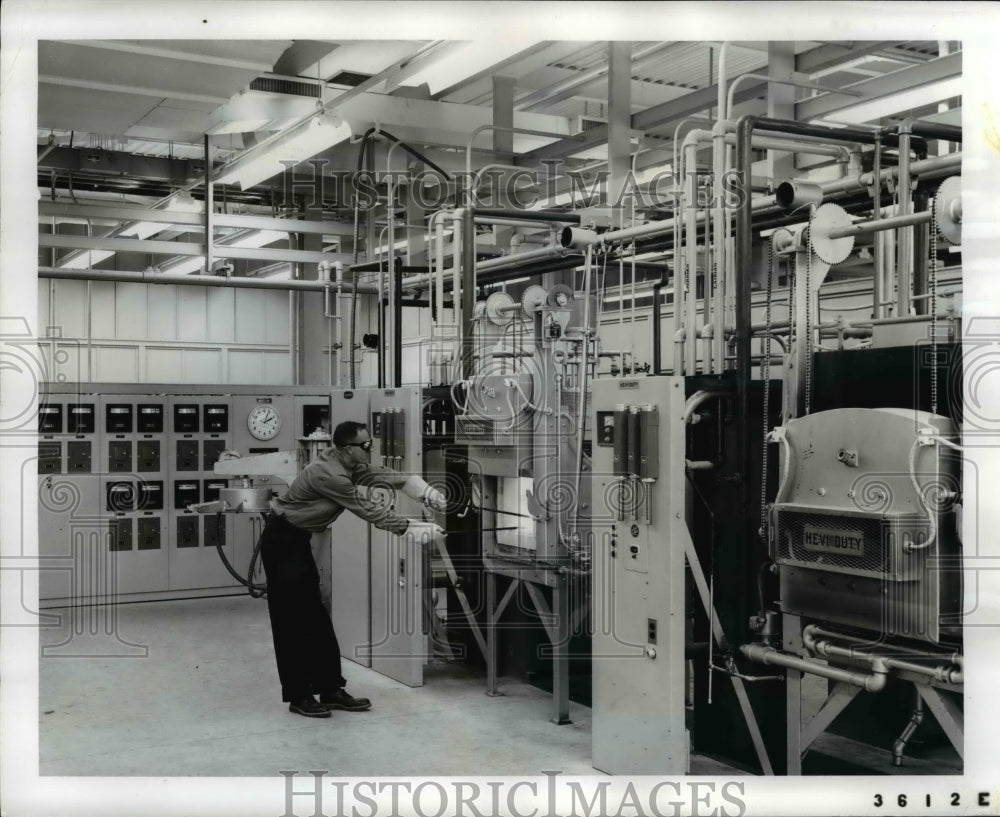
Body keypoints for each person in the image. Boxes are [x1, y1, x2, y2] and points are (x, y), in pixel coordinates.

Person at [259, 420, 445, 718]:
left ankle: (330, 688)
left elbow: (380, 475)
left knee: (317, 618)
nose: (371, 449)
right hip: (283, 542)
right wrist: (411, 527)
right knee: (292, 622)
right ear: (347, 449)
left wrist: (420, 489)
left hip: (297, 540)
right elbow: (367, 509)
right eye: (366, 445)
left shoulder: (346, 464)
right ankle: (298, 696)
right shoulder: (330, 475)